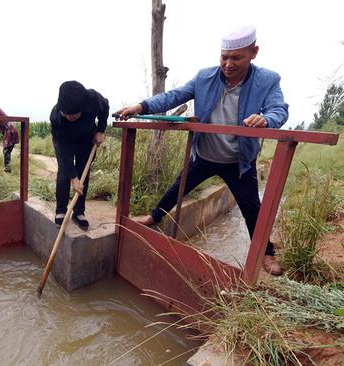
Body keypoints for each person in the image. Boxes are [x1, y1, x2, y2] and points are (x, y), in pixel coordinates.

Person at [115, 25, 288, 275]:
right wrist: (141, 106)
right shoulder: (204, 77)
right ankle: (155, 216)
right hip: (205, 155)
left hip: (238, 161)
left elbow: (278, 110)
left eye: (236, 58)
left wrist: (267, 120)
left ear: (253, 52)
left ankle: (266, 253)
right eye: (224, 57)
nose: (228, 64)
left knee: (252, 208)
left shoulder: (268, 80)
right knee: (178, 187)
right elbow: (173, 96)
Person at [50, 80, 109, 230]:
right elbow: (62, 151)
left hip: (86, 139)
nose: (69, 117)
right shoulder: (56, 117)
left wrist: (100, 130)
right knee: (65, 172)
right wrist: (73, 178)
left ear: (83, 107)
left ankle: (78, 212)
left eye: (73, 115)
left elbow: (105, 108)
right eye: (66, 114)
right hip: (65, 141)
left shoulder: (93, 99)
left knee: (83, 172)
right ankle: (61, 211)